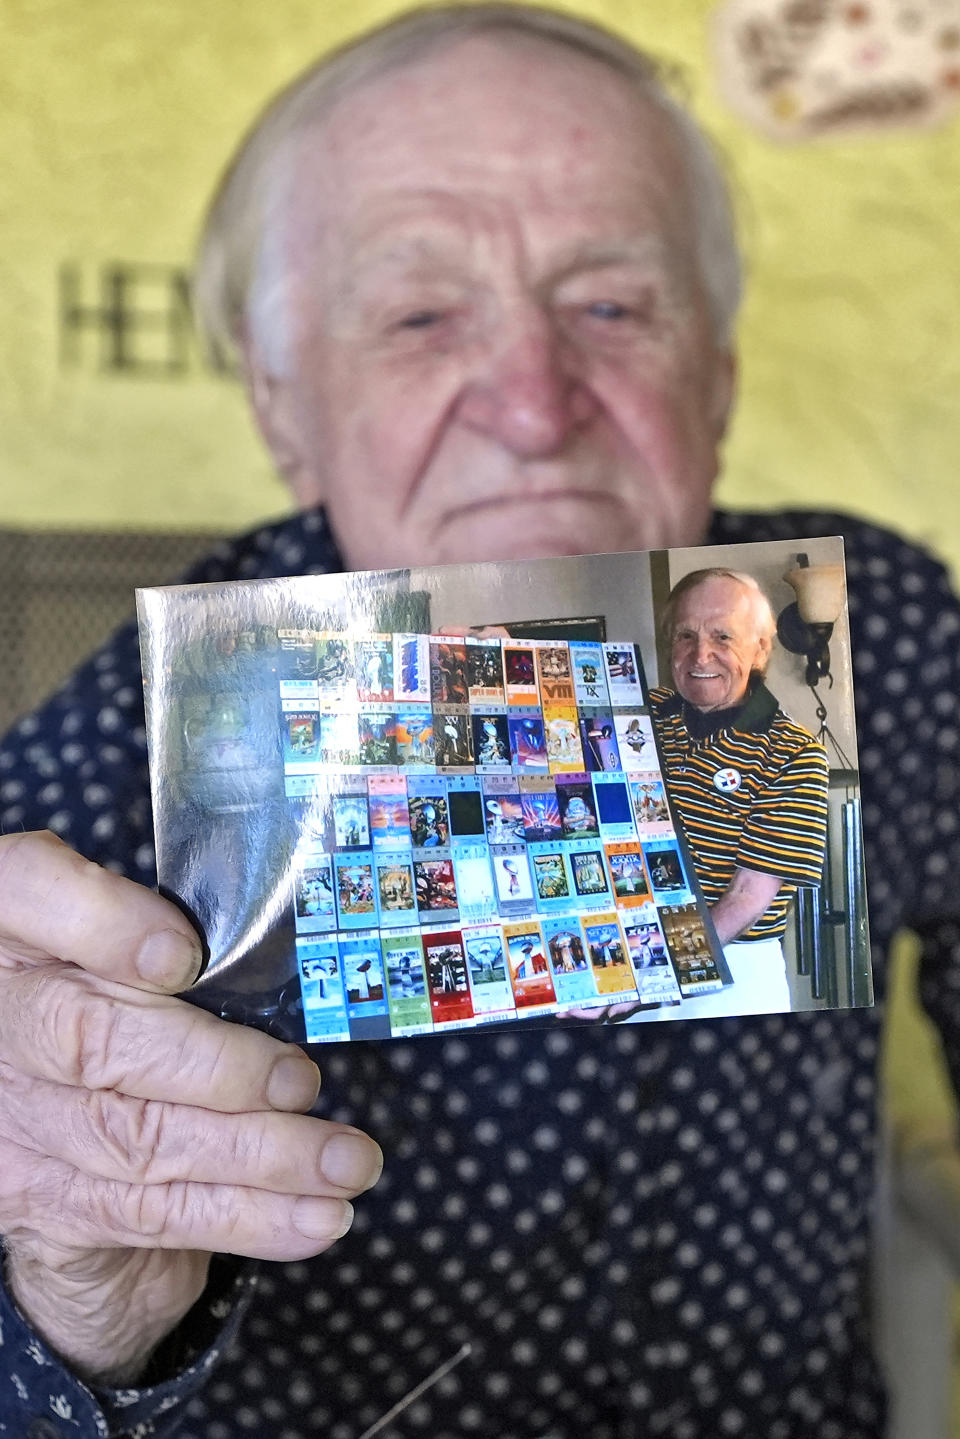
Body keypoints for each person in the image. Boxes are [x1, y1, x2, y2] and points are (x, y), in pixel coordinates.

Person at [1, 6, 959, 1436]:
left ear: (721, 374)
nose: (531, 404)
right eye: (419, 315)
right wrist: (70, 1292)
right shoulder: (116, 759)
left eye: (614, 306)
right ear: (282, 406)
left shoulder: (876, 626)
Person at [648, 567, 829, 1017]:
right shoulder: (642, 711)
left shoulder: (795, 753)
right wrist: (500, 647)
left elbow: (747, 897)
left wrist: (656, 973)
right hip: (635, 953)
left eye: (723, 637)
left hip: (731, 971)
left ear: (760, 648)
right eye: (685, 635)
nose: (700, 654)